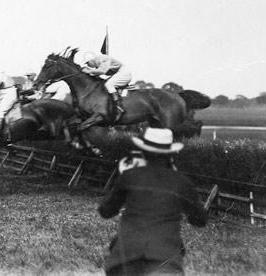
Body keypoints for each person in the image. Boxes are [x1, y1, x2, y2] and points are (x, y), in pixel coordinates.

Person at [98, 128, 208, 276]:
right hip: (165, 258)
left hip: (126, 257)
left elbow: (105, 211)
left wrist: (121, 178)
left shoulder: (130, 176)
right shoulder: (181, 182)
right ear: (170, 154)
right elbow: (200, 220)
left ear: (143, 152)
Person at [81, 51, 131, 121]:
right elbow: (98, 72)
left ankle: (119, 108)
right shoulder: (98, 63)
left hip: (124, 73)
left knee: (108, 84)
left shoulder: (102, 59)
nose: (88, 65)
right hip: (118, 73)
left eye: (87, 63)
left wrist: (89, 71)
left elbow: (103, 71)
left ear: (91, 60)